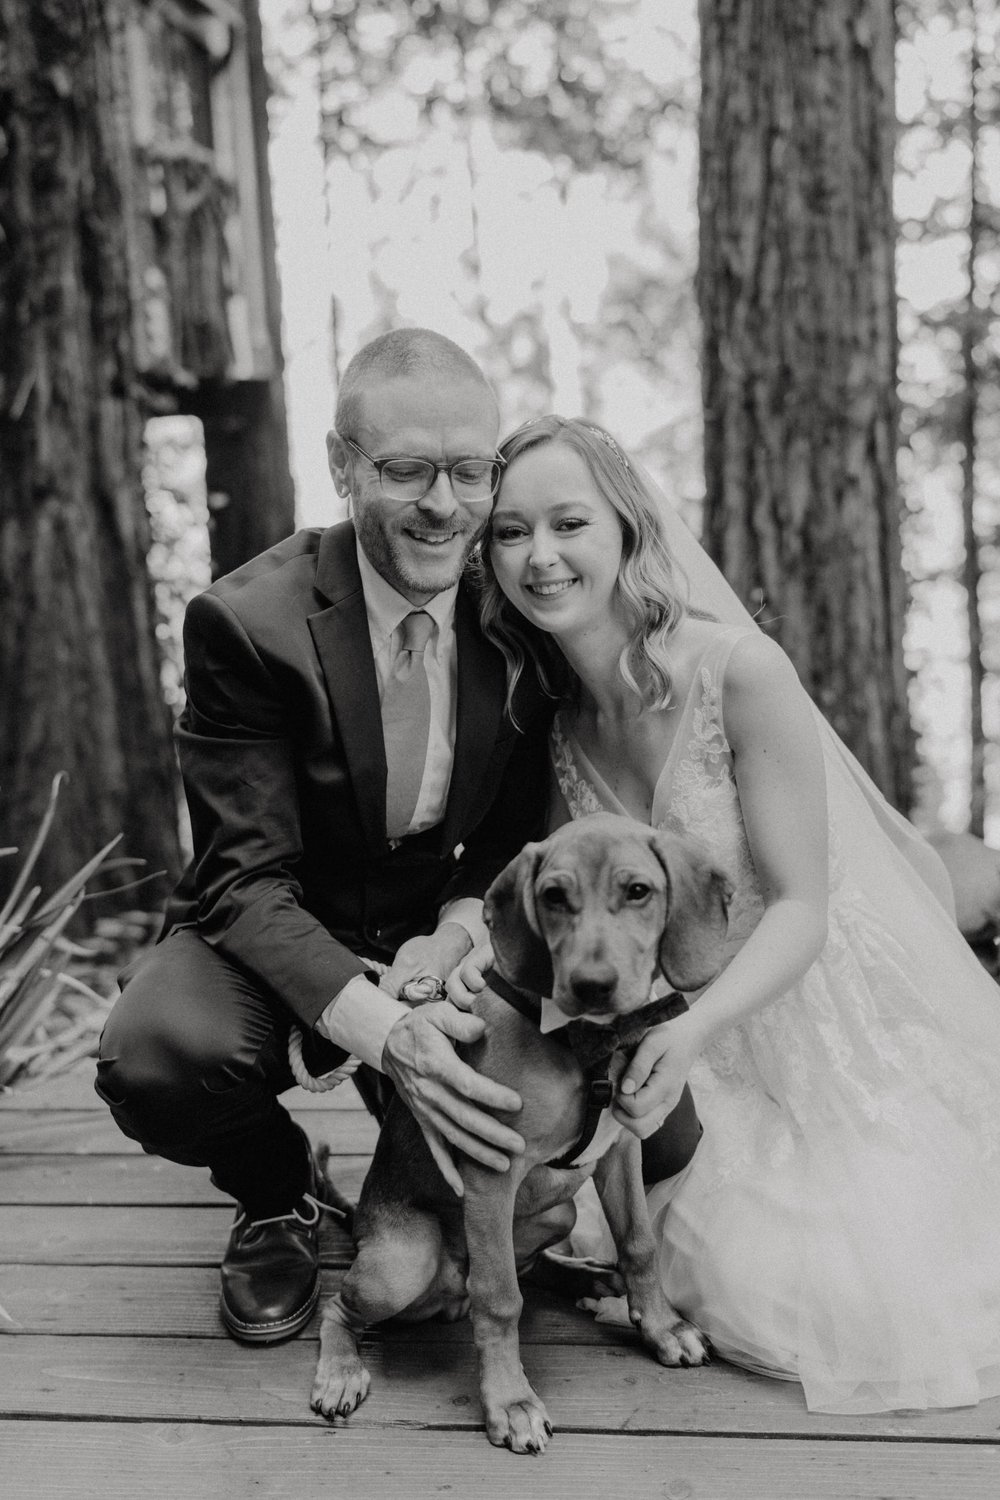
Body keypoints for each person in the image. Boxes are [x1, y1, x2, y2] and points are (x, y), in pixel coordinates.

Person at [451, 413, 1000, 1414]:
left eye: (567, 522)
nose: (539, 556)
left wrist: (699, 1025)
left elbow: (800, 907)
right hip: (676, 1025)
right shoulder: (555, 718)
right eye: (510, 532)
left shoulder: (738, 672)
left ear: (625, 527)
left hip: (807, 994)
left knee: (847, 1286)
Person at [95, 329, 560, 1346]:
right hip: (275, 932)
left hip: (439, 945)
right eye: (405, 469)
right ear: (344, 466)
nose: (445, 502)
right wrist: (387, 1034)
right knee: (159, 1064)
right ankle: (277, 1193)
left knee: (588, 1130)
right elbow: (243, 879)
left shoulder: (523, 605)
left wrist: (455, 929)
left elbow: (513, 829)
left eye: (469, 469)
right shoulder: (245, 623)